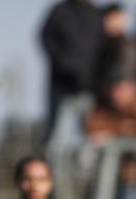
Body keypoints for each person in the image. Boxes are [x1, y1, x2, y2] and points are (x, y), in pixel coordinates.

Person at [39, 0, 104, 146]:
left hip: (89, 87)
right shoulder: (60, 11)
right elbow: (46, 39)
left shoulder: (97, 14)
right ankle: (53, 166)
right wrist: (65, 67)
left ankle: (85, 168)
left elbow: (104, 49)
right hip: (61, 84)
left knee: (88, 134)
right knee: (57, 134)